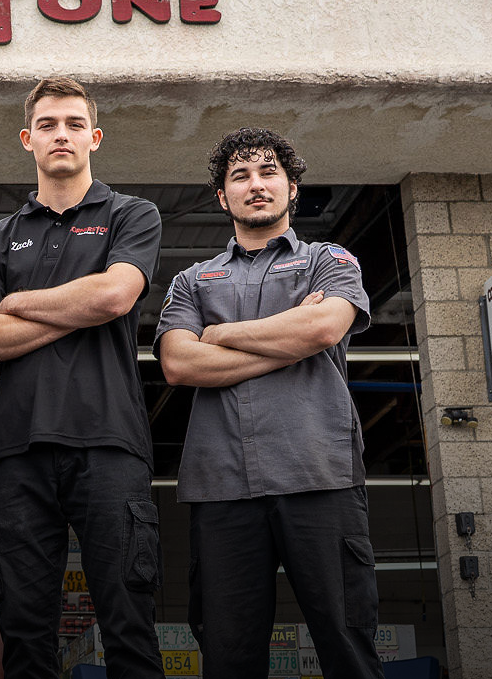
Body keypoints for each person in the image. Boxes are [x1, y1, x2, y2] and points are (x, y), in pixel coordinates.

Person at [0, 78, 165, 679]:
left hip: (110, 442)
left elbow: (115, 296)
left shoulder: (131, 215)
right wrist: (77, 308)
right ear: (28, 139)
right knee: (24, 632)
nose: (61, 134)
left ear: (94, 137)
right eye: (47, 125)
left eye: (74, 124)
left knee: (128, 623)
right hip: (17, 450)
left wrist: (18, 304)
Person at [154, 128, 381, 679]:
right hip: (222, 486)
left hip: (319, 476)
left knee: (347, 645)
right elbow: (179, 363)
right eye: (240, 176)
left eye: (268, 173)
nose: (255, 185)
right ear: (222, 197)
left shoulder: (329, 260)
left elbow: (323, 328)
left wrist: (219, 335)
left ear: (292, 187)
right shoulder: (192, 281)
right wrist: (289, 337)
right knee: (228, 654)